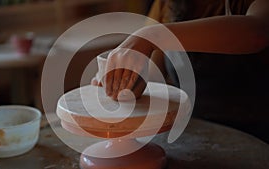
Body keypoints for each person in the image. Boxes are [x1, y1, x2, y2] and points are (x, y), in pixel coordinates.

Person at [92, 0, 269, 140]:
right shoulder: (167, 4)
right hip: (191, 128)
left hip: (254, 133)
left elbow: (258, 33)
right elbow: (154, 74)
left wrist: (152, 36)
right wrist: (128, 81)